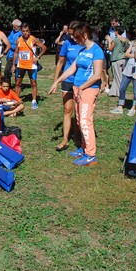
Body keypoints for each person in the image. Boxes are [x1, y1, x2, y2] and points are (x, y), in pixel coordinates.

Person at [48, 23, 104, 166]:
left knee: (85, 121)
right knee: (79, 121)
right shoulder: (83, 51)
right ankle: (84, 148)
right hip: (78, 89)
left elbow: (97, 75)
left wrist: (82, 88)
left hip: (88, 90)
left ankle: (91, 155)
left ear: (85, 36)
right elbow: (72, 69)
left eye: (77, 36)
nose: (74, 39)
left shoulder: (97, 51)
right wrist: (57, 81)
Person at [51, 21, 82, 151]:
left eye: (73, 34)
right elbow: (61, 62)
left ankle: (78, 136)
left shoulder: (85, 44)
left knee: (79, 111)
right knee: (67, 110)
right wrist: (55, 81)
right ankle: (65, 139)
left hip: (81, 82)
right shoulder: (67, 43)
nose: (71, 37)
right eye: (69, 34)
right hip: (67, 80)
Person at [110, 27, 136, 116]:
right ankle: (120, 106)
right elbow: (126, 54)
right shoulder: (133, 42)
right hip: (129, 68)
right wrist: (135, 55)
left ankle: (134, 107)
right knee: (122, 87)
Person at [12, 23, 46, 110]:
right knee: (18, 83)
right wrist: (13, 65)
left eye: (27, 31)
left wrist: (38, 57)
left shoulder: (33, 39)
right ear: (21, 31)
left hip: (31, 65)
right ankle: (16, 100)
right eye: (23, 31)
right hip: (21, 65)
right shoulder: (18, 40)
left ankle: (34, 101)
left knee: (33, 83)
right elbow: (16, 52)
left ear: (29, 31)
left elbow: (44, 48)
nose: (25, 33)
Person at [106, 26, 129, 97]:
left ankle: (120, 92)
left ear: (116, 32)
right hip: (123, 58)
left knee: (117, 77)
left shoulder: (115, 40)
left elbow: (110, 49)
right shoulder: (126, 40)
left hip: (116, 59)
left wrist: (109, 40)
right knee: (118, 76)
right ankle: (114, 92)